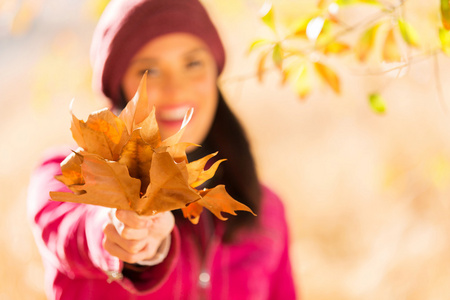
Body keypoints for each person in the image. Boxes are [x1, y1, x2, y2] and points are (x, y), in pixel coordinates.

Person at [27, 0, 297, 299]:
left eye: (193, 63)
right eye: (149, 71)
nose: (176, 89)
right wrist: (123, 232)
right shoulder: (68, 175)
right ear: (118, 88)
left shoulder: (265, 209)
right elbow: (72, 231)